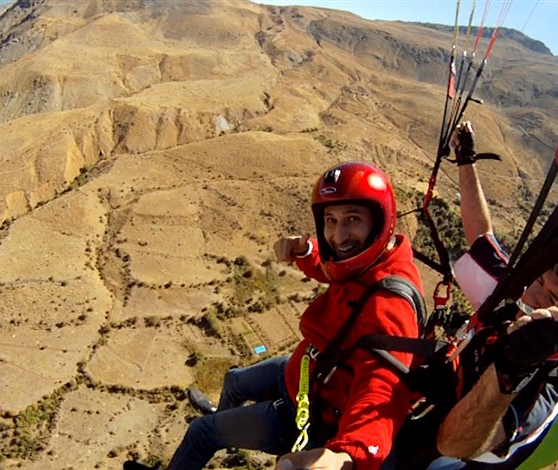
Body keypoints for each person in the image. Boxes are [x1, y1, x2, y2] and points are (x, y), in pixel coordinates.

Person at [124, 161, 424, 470]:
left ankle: (216, 433)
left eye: (352, 219)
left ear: (379, 221)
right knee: (233, 381)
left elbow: (383, 388)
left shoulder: (390, 302)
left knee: (199, 434)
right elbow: (336, 270)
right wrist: (306, 251)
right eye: (330, 220)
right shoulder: (372, 258)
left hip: (306, 410)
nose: (338, 234)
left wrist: (345, 455)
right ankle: (221, 419)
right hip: (306, 369)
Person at [384, 121, 558, 469]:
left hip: (438, 452)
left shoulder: (544, 387)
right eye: (539, 280)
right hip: (421, 404)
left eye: (549, 298)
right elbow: (481, 236)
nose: (533, 295)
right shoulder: (514, 294)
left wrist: (510, 370)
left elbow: (455, 443)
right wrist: (465, 160)